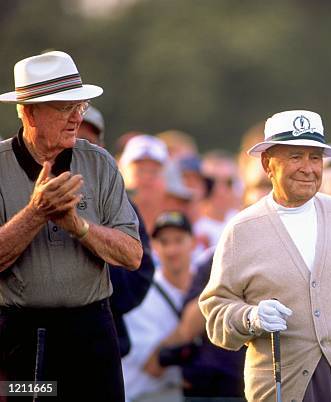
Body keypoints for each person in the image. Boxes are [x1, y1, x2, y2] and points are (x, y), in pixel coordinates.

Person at [199, 110, 331, 402]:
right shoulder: (241, 230)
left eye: (315, 157)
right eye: (296, 156)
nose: (308, 168)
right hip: (284, 388)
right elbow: (216, 314)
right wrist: (250, 317)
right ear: (268, 163)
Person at [0, 51, 142, 401]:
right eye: (64, 108)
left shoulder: (99, 163)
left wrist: (78, 225)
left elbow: (132, 254)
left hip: (91, 335)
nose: (77, 118)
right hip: (21, 340)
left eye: (80, 106)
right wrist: (36, 213)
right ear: (29, 111)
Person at [77, 106, 155, 358]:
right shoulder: (29, 191)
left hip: (101, 345)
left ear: (100, 146)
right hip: (33, 348)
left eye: (87, 141)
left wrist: (101, 307)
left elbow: (140, 268)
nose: (79, 148)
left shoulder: (117, 199)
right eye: (72, 138)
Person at [122, 212, 194, 401]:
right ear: (154, 247)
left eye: (179, 240)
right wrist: (190, 327)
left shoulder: (203, 286)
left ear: (192, 242)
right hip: (146, 394)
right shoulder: (144, 294)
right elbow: (152, 365)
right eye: (164, 242)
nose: (172, 250)